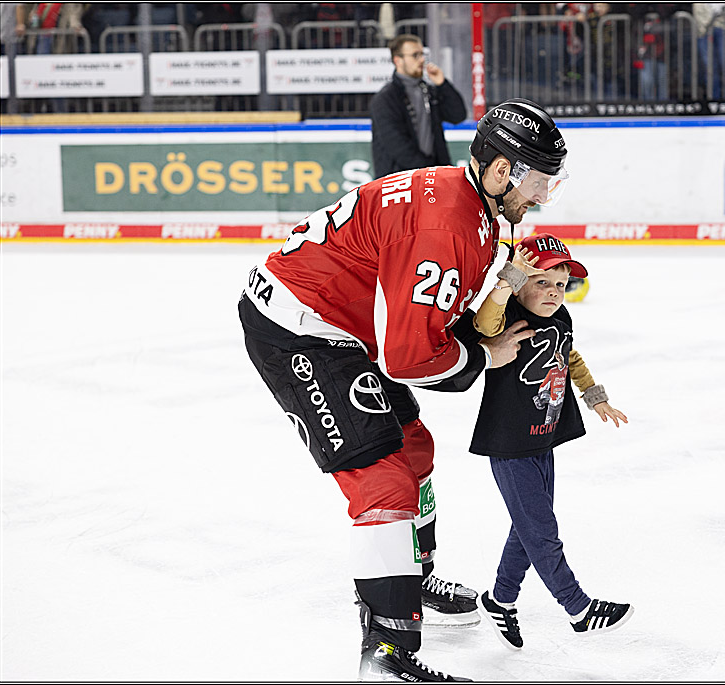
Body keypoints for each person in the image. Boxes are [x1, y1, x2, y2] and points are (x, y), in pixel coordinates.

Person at [238, 98, 571, 681]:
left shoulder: (472, 205)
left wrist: (477, 328)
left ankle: (411, 581)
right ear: (501, 172)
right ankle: (386, 652)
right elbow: (412, 355)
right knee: (383, 477)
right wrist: (482, 356)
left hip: (341, 325)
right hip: (299, 330)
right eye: (539, 181)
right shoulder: (448, 223)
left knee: (414, 447)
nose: (543, 197)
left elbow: (432, 314)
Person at [469, 233, 633, 651]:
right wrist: (508, 279)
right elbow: (483, 323)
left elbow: (570, 356)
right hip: (509, 442)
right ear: (520, 282)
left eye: (560, 285)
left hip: (543, 433)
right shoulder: (504, 317)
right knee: (541, 530)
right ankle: (578, 608)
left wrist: (595, 397)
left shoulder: (562, 320)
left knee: (527, 525)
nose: (553, 293)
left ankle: (500, 600)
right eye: (542, 282)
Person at [370, 34, 468, 179]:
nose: (422, 59)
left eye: (422, 54)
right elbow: (397, 145)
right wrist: (428, 170)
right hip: (399, 181)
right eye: (415, 55)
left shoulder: (429, 91)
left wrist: (442, 84)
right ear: (398, 60)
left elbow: (458, 115)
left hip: (432, 176)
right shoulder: (385, 99)